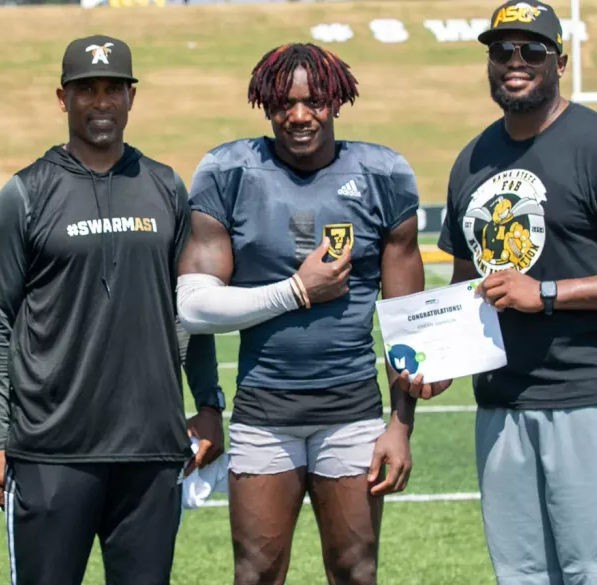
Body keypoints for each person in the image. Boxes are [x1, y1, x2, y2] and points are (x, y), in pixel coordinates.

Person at [176, 43, 447, 585]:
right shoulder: (230, 170)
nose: (299, 116)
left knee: (354, 570)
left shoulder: (382, 174)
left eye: (314, 101)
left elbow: (406, 321)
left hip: (351, 408)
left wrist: (400, 426)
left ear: (337, 101)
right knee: (255, 571)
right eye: (284, 103)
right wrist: (296, 290)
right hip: (263, 409)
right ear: (266, 104)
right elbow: (194, 306)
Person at [436, 2, 597, 583]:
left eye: (531, 50)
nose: (514, 63)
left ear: (560, 62)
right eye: (501, 51)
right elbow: (464, 283)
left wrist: (545, 292)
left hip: (593, 398)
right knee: (520, 577)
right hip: (502, 407)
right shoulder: (471, 158)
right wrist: (440, 357)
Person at [0, 34, 225, 585]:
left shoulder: (165, 185)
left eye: (112, 89)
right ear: (61, 98)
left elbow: (193, 305)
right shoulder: (25, 193)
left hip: (151, 447)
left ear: (132, 96)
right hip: (51, 449)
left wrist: (208, 402)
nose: (100, 102)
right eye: (85, 89)